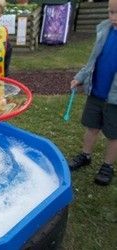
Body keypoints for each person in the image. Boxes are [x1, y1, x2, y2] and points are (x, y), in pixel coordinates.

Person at [68, 0, 117, 186]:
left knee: (114, 134)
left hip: (115, 99)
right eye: (111, 12)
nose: (113, 17)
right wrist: (81, 77)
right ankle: (85, 155)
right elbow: (92, 60)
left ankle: (107, 165)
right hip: (96, 92)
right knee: (91, 127)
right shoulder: (105, 30)